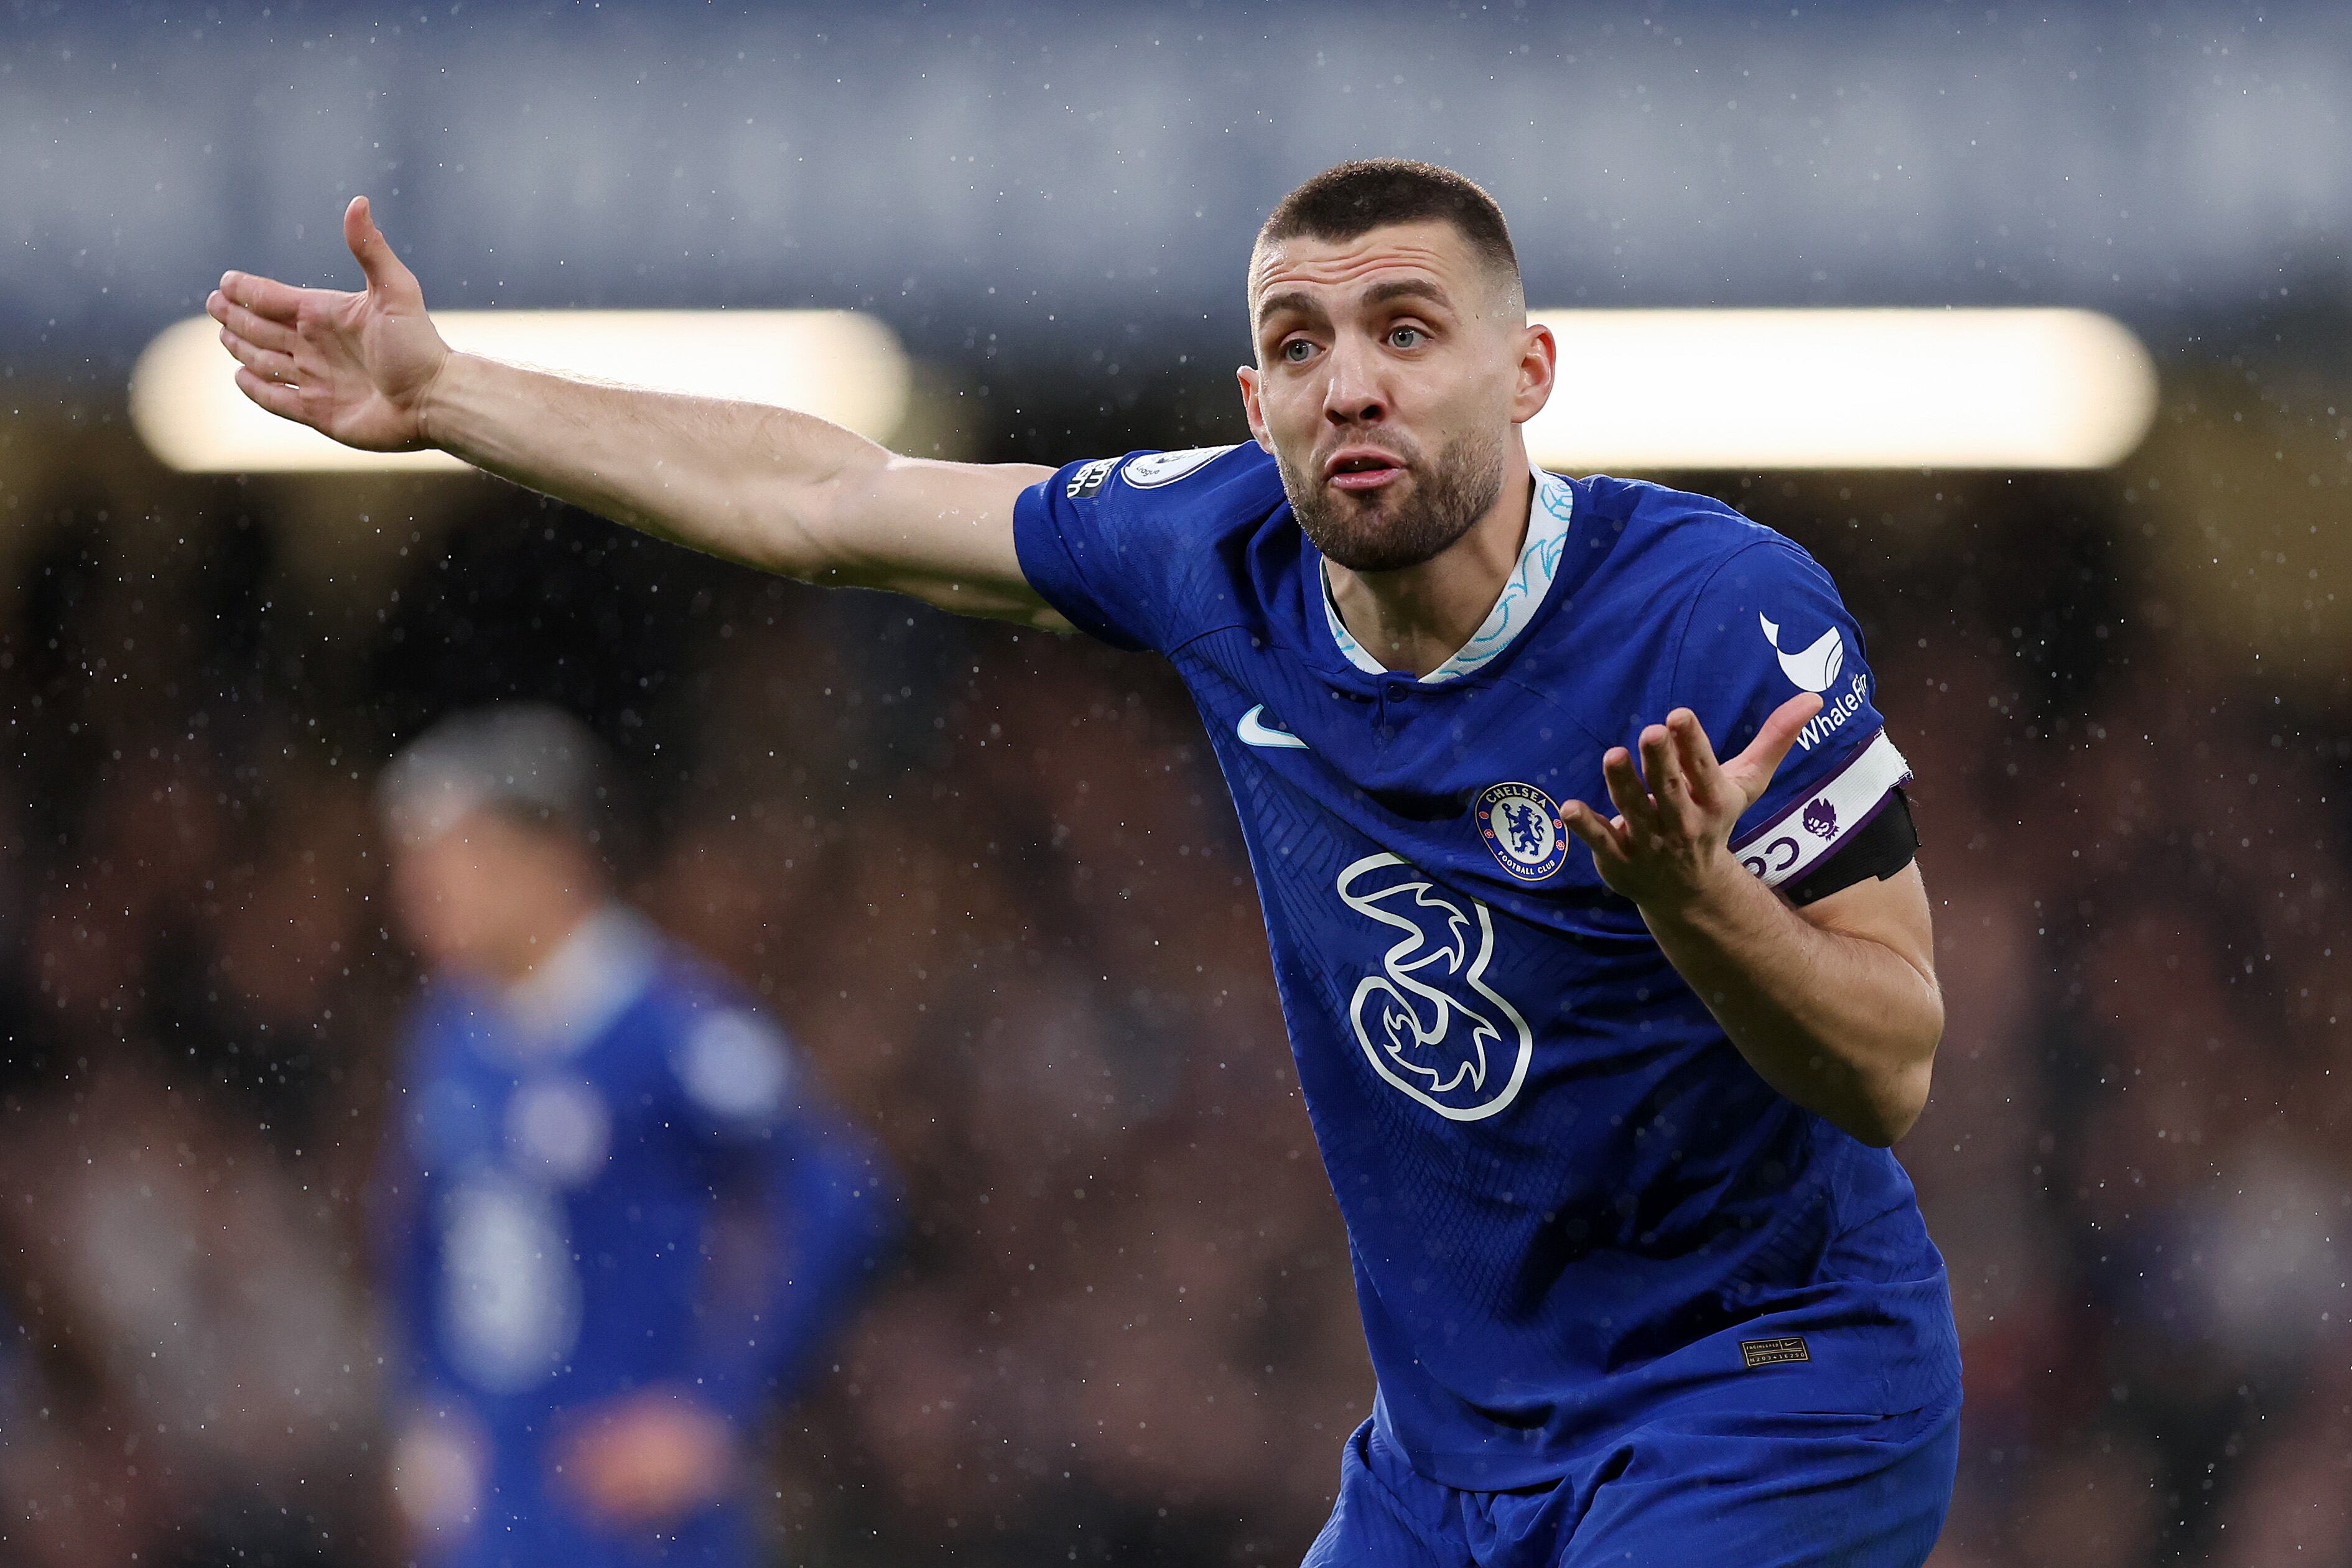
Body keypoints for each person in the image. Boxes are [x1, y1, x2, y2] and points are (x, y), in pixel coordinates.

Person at [215, 159, 1961, 1566]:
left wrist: (1702, 904)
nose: (1347, 379)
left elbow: (1885, 1064)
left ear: (1526, 372)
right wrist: (455, 398)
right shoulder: (1211, 551)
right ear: (1254, 400)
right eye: (1295, 342)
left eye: (1404, 330)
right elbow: (827, 498)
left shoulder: (1710, 616)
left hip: (1760, 1387)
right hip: (1452, 1454)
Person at [370, 705, 898, 1568]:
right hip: (495, 1506)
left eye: (454, 857)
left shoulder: (668, 1027)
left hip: (627, 1517)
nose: (421, 891)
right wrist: (427, 1402)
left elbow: (837, 1194)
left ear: (554, 857)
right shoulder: (449, 1030)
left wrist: (713, 1407)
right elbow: (416, 1221)